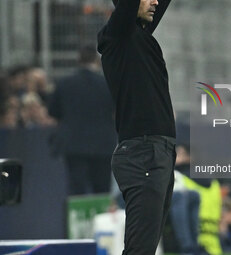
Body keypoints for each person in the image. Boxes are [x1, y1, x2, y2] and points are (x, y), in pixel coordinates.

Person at [97, 0, 177, 253]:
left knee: (145, 247)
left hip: (157, 152)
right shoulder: (118, 35)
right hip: (143, 154)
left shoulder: (139, 37)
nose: (155, 2)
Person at [48, 44, 116, 195]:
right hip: (103, 144)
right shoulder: (108, 84)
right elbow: (116, 110)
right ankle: (99, 217)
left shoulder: (64, 83)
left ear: (78, 60)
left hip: (73, 144)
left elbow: (53, 111)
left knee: (76, 189)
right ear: (97, 60)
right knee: (102, 189)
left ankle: (77, 218)